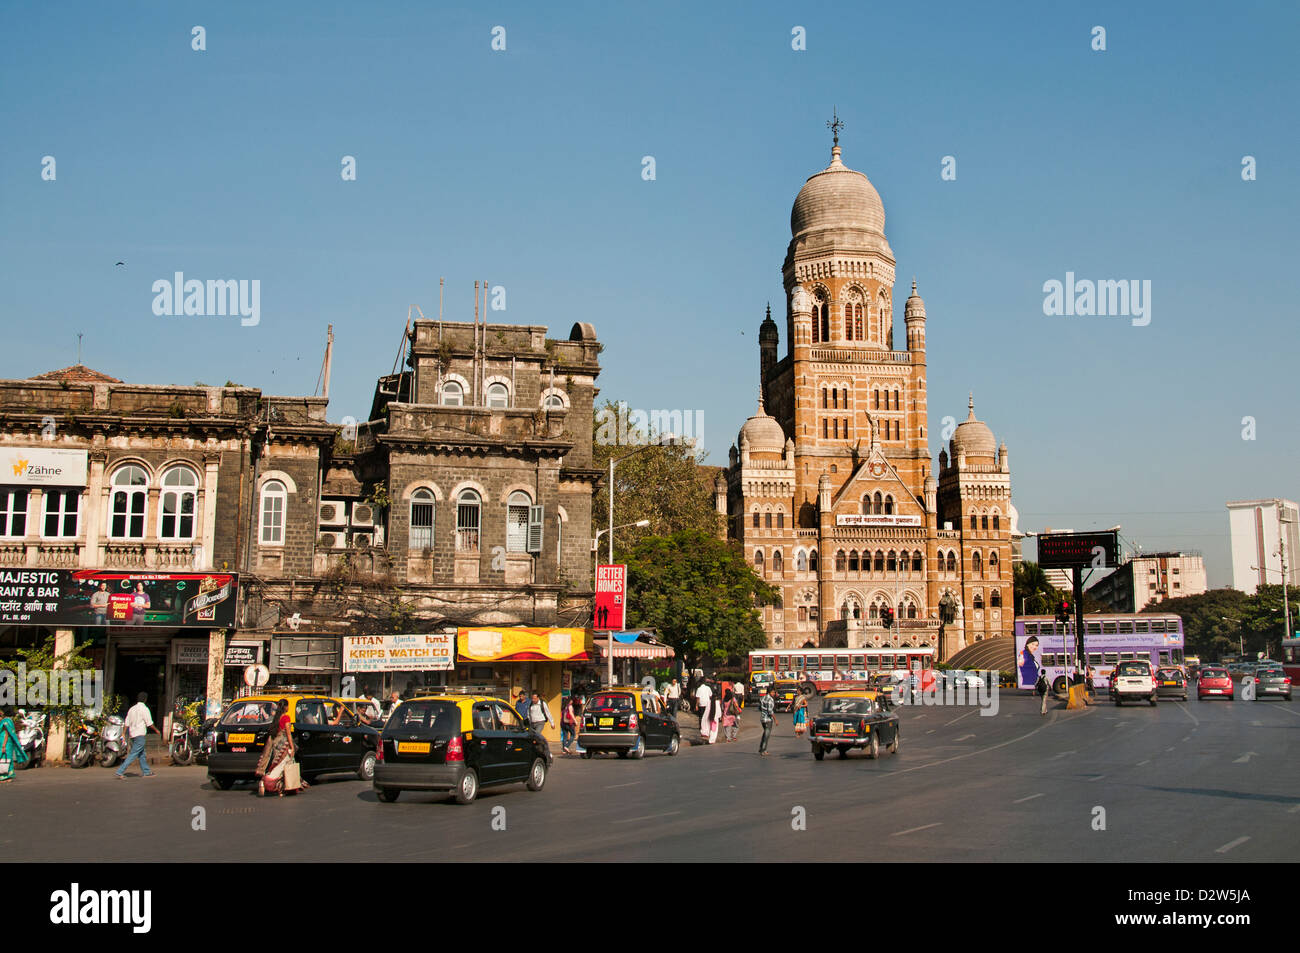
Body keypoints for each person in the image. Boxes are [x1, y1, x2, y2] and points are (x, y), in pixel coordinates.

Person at [254, 698, 303, 796]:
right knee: (281, 768)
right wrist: (292, 747)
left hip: (276, 747)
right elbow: (288, 734)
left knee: (278, 766)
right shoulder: (286, 718)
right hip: (284, 747)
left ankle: (282, 789)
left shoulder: (276, 718)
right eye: (287, 705)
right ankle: (266, 781)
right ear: (285, 707)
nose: (288, 707)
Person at [116, 692, 162, 779]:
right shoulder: (145, 709)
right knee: (133, 754)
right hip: (140, 734)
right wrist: (157, 730)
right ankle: (120, 771)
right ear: (145, 699)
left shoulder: (132, 709)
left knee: (142, 754)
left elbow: (126, 723)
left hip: (132, 735)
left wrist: (123, 733)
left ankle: (146, 771)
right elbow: (149, 723)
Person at [0, 706, 29, 782]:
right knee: (8, 759)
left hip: (5, 743)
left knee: (3, 758)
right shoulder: (10, 720)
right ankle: (9, 775)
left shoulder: (6, 721)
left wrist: (3, 745)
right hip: (9, 743)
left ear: (4, 712)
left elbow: (6, 733)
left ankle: (4, 776)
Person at [758, 687, 776, 756]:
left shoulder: (762, 698)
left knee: (765, 733)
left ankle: (761, 748)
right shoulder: (770, 700)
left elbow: (759, 707)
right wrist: (775, 720)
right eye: (773, 692)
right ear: (769, 692)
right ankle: (763, 750)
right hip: (768, 720)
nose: (774, 694)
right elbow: (770, 711)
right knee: (766, 735)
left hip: (762, 719)